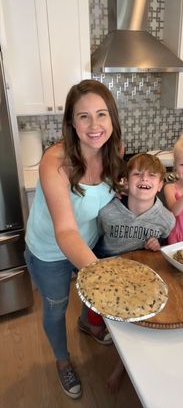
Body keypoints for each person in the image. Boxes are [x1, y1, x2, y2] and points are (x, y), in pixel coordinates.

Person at [24, 79, 125, 399]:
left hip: (89, 238)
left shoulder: (115, 150)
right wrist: (103, 274)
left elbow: (105, 198)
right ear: (70, 122)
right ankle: (63, 360)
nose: (94, 125)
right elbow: (65, 231)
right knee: (56, 306)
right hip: (49, 249)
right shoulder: (54, 161)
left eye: (102, 114)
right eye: (83, 116)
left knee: (89, 296)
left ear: (113, 118)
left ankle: (88, 324)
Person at [93, 152, 176, 391]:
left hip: (140, 279)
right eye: (137, 173)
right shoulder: (106, 212)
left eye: (151, 175)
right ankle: (87, 323)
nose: (144, 178)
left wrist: (157, 246)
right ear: (126, 182)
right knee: (96, 321)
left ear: (160, 184)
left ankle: (123, 367)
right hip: (107, 274)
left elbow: (165, 246)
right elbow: (95, 239)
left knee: (133, 328)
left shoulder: (165, 219)